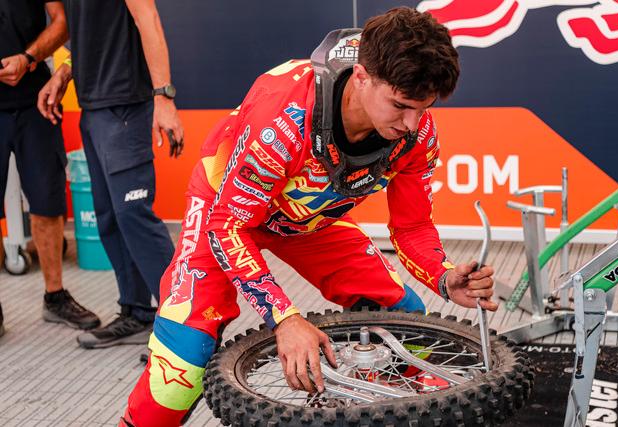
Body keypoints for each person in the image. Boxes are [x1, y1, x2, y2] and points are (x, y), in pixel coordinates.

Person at [120, 7, 498, 426]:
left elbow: (412, 226)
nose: (412, 124)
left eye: (423, 108)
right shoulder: (283, 117)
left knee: (405, 317)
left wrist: (444, 277)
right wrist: (284, 318)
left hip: (307, 217)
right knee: (179, 369)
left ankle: (395, 412)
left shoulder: (417, 133)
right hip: (226, 212)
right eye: (400, 105)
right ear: (361, 77)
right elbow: (229, 226)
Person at [37, 0, 184, 348]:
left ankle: (185, 328)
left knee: (133, 215)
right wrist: (65, 71)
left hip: (126, 105)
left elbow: (148, 19)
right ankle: (137, 313)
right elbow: (95, 32)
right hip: (94, 106)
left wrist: (163, 97)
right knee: (110, 219)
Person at [0, 0, 99, 331]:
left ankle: (55, 297)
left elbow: (62, 21)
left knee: (48, 201)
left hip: (36, 101)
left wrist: (28, 58)